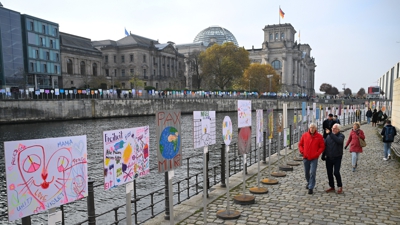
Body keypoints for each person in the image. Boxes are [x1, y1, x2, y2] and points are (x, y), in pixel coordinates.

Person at [298, 123, 325, 194]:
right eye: (311, 128)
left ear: (315, 128)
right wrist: (302, 151)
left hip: (314, 158)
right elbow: (300, 144)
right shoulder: (305, 135)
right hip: (306, 157)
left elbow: (322, 146)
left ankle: (311, 187)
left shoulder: (319, 136)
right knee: (306, 172)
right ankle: (309, 181)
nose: (312, 129)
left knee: (313, 172)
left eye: (313, 128)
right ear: (309, 128)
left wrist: (317, 153)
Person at [321, 124, 345, 194]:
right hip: (329, 157)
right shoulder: (329, 136)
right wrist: (323, 154)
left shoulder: (341, 136)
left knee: (336, 172)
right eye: (332, 128)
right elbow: (326, 146)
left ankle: (340, 186)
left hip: (337, 157)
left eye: (335, 128)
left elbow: (339, 141)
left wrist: (331, 133)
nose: (333, 129)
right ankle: (332, 186)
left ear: (338, 130)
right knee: (329, 173)